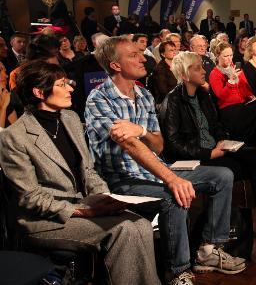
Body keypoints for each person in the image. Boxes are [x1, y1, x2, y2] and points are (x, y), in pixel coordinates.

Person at [85, 36, 246, 284]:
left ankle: (208, 250)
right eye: (133, 55)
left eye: (141, 53)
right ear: (115, 65)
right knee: (173, 196)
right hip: (123, 181)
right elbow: (129, 145)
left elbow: (158, 145)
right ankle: (178, 271)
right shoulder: (99, 98)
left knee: (222, 175)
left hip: (155, 171)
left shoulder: (144, 95)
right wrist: (171, 178)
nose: (143, 58)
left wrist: (139, 131)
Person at [0, 61, 159, 284]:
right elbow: (30, 198)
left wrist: (105, 198)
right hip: (44, 220)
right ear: (39, 92)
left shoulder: (71, 119)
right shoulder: (14, 137)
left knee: (141, 224)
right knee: (124, 229)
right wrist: (87, 212)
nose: (71, 89)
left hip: (85, 204)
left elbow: (88, 171)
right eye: (62, 84)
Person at [160, 51, 256, 255]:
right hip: (197, 157)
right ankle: (234, 233)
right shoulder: (173, 101)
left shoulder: (202, 94)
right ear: (184, 75)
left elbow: (216, 123)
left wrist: (220, 138)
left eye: (202, 66)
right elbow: (174, 144)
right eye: (198, 68)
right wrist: (209, 153)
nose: (204, 71)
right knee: (242, 167)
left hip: (217, 148)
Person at [209, 41, 256, 144]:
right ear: (218, 56)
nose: (229, 58)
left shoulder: (235, 68)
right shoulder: (214, 73)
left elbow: (244, 87)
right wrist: (230, 81)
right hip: (228, 107)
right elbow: (221, 95)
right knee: (253, 111)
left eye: (231, 55)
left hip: (242, 103)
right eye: (226, 56)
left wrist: (251, 96)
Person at [149, 40, 179, 105]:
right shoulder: (160, 69)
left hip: (178, 100)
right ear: (163, 54)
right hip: (166, 102)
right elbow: (163, 92)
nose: (174, 52)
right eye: (171, 50)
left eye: (175, 50)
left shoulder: (179, 65)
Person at [0, 61, 19, 127]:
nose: (6, 76)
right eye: (0, 71)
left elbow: (17, 133)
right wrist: (3, 108)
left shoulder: (8, 100)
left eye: (4, 72)